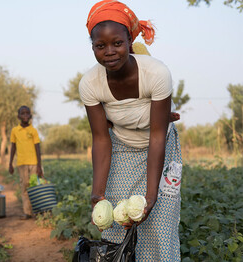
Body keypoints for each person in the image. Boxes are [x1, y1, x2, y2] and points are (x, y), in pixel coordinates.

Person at [79, 1, 182, 261]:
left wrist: (151, 195)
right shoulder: (90, 83)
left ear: (129, 41)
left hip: (161, 147)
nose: (109, 52)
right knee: (116, 221)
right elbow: (101, 138)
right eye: (100, 46)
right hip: (121, 147)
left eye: (117, 43)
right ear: (92, 47)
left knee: (158, 224)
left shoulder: (156, 73)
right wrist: (97, 190)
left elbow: (157, 135)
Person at [9, 105, 43, 220]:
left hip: (33, 163)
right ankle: (27, 212)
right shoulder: (15, 130)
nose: (25, 115)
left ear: (30, 116)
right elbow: (13, 147)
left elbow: (38, 148)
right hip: (21, 163)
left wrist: (39, 166)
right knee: (24, 187)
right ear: (18, 116)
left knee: (34, 187)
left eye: (27, 113)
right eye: (22, 113)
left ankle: (37, 211)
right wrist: (10, 163)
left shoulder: (33, 131)